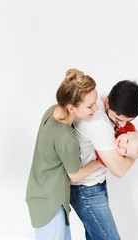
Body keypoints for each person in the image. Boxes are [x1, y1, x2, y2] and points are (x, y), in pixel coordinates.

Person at [26, 69, 103, 240]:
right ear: (71, 107)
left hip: (40, 195)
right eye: (90, 106)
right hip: (50, 204)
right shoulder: (67, 139)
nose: (96, 108)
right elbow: (75, 176)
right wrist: (100, 161)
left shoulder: (51, 111)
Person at [70, 80, 138, 240]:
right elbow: (119, 170)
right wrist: (135, 152)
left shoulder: (100, 100)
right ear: (109, 101)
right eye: (118, 118)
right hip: (86, 188)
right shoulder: (99, 124)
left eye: (128, 120)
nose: (122, 124)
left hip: (94, 183)